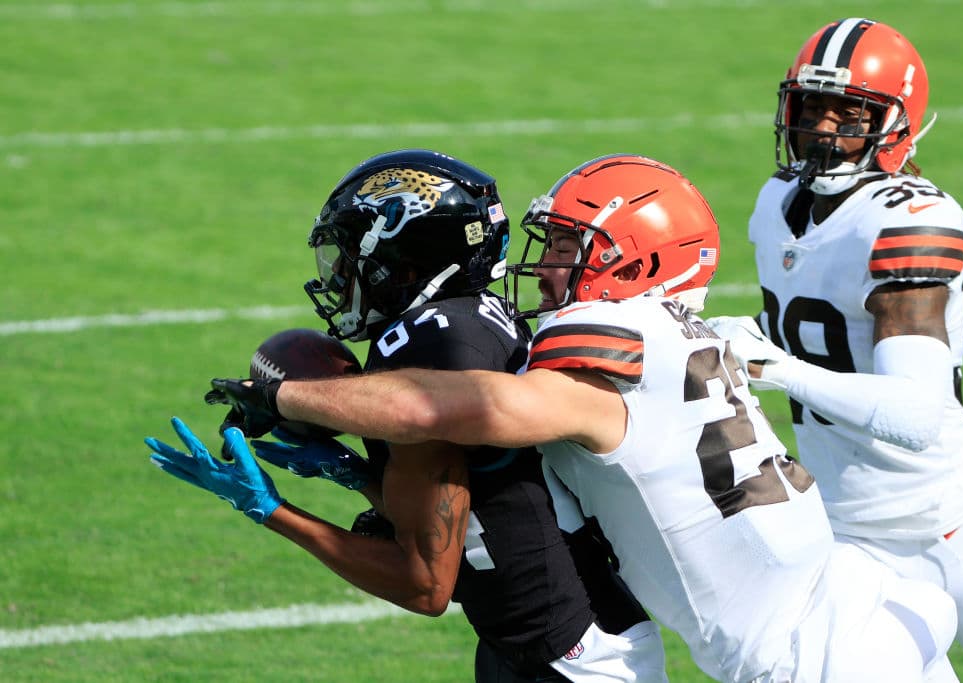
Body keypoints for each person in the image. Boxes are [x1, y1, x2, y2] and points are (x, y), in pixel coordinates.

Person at [207, 153, 960, 683]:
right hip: (867, 602)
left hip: (812, 659)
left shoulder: (605, 348)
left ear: (634, 264)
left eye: (570, 245)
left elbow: (457, 405)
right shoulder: (679, 331)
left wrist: (286, 397)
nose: (543, 266)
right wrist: (364, 472)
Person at [147, 149, 667, 683]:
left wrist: (269, 510)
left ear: (405, 261)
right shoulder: (473, 320)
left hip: (574, 662)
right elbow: (470, 513)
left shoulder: (421, 353)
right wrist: (354, 474)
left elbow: (426, 585)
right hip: (548, 637)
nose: (342, 276)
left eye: (353, 259)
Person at [704, 17, 963, 681]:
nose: (822, 129)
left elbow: (914, 415)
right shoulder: (774, 202)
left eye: (847, 113)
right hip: (847, 532)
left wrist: (772, 366)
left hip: (953, 515)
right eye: (809, 107)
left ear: (895, 122)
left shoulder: (910, 220)